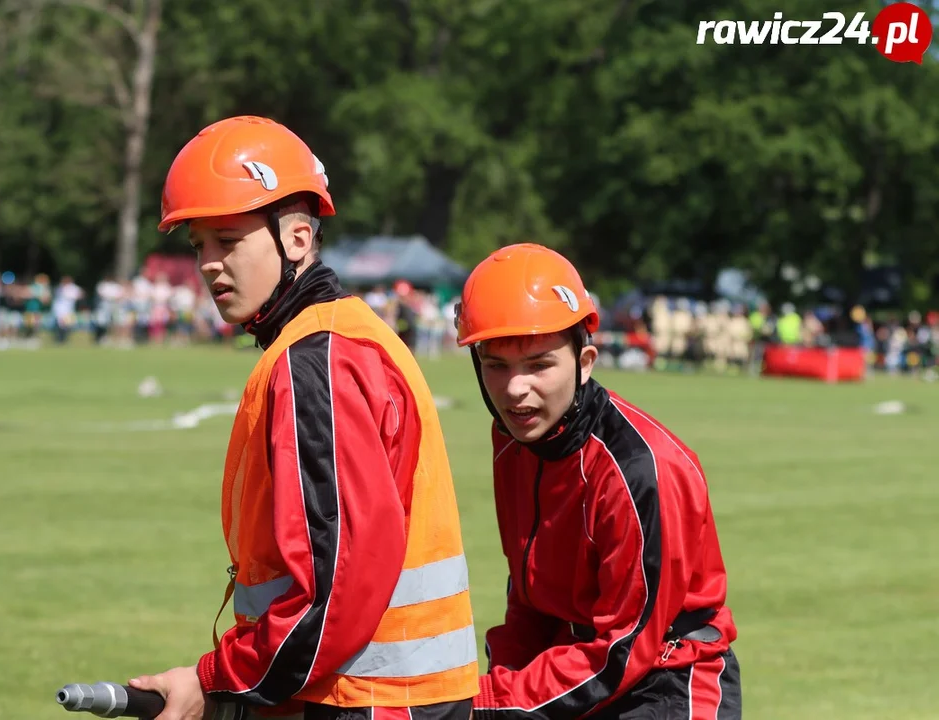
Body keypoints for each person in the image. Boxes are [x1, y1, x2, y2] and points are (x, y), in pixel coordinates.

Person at [128, 116, 479, 720]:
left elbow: (335, 586)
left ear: (296, 238)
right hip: (387, 696)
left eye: (228, 239)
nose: (209, 264)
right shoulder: (346, 333)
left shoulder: (314, 359)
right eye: (198, 246)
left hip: (363, 701)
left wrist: (216, 679)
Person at [454, 244, 741, 720]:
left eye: (539, 364)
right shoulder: (511, 439)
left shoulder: (639, 469)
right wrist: (495, 685)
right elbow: (529, 597)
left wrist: (488, 703)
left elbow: (626, 647)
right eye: (495, 364)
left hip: (666, 680)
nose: (514, 389)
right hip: (578, 665)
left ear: (585, 361)